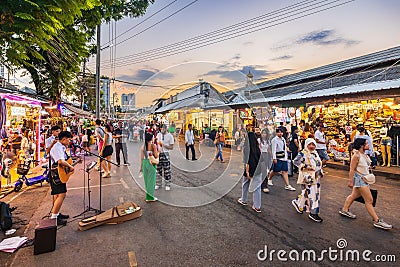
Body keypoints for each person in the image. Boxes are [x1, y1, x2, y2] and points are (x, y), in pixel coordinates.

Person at [339, 138, 392, 230]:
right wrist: (350, 181)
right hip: (360, 180)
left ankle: (345, 210)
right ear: (361, 146)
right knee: (369, 200)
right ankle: (377, 221)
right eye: (366, 144)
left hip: (364, 179)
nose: (368, 145)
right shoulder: (356, 155)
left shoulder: (364, 154)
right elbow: (352, 169)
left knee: (354, 195)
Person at [291, 138, 324, 223]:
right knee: (313, 195)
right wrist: (304, 166)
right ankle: (313, 213)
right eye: (310, 144)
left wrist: (321, 171)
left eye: (313, 144)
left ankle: (298, 203)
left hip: (316, 178)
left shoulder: (315, 153)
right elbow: (295, 161)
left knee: (307, 193)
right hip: (308, 178)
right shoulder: (303, 153)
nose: (311, 146)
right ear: (306, 144)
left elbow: (318, 164)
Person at [49, 131, 74, 226]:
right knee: (61, 194)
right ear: (64, 139)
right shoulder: (58, 147)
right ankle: (54, 217)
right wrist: (71, 167)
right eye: (68, 139)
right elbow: (60, 161)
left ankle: (57, 214)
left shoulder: (60, 147)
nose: (69, 141)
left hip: (58, 173)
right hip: (56, 174)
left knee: (57, 194)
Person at [238, 132, 263, 213]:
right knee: (257, 188)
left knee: (245, 184)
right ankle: (257, 206)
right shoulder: (257, 147)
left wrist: (247, 172)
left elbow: (247, 161)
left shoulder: (246, 148)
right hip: (258, 169)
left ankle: (244, 199)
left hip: (250, 169)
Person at [140, 132, 159, 202]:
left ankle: (148, 196)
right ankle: (150, 198)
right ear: (151, 138)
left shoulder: (143, 146)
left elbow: (141, 158)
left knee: (147, 181)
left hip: (144, 163)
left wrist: (141, 167)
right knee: (151, 181)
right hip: (151, 163)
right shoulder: (153, 145)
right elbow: (156, 156)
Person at [156, 125, 174, 191]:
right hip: (159, 153)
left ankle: (167, 184)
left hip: (166, 154)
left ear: (166, 129)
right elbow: (156, 143)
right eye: (161, 128)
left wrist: (164, 145)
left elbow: (171, 147)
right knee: (158, 170)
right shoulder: (158, 135)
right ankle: (158, 184)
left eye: (163, 128)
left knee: (167, 170)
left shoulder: (170, 136)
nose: (162, 130)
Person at [259, 129, 272, 194]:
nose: (263, 134)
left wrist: (272, 156)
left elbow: (268, 149)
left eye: (265, 133)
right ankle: (262, 185)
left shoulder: (267, 141)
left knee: (265, 171)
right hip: (260, 156)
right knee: (261, 171)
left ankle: (264, 185)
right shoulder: (259, 140)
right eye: (262, 133)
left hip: (266, 156)